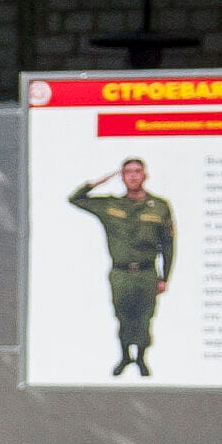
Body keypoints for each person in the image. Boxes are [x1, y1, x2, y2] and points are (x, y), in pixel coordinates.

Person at [66, 159, 174, 377]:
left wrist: (165, 277)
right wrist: (104, 178)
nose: (133, 176)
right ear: (122, 177)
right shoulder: (111, 206)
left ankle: (141, 358)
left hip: (146, 273)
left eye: (137, 171)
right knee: (123, 316)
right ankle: (125, 356)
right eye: (127, 172)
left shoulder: (160, 206)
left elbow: (169, 245)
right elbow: (75, 198)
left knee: (145, 317)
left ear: (145, 175)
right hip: (121, 273)